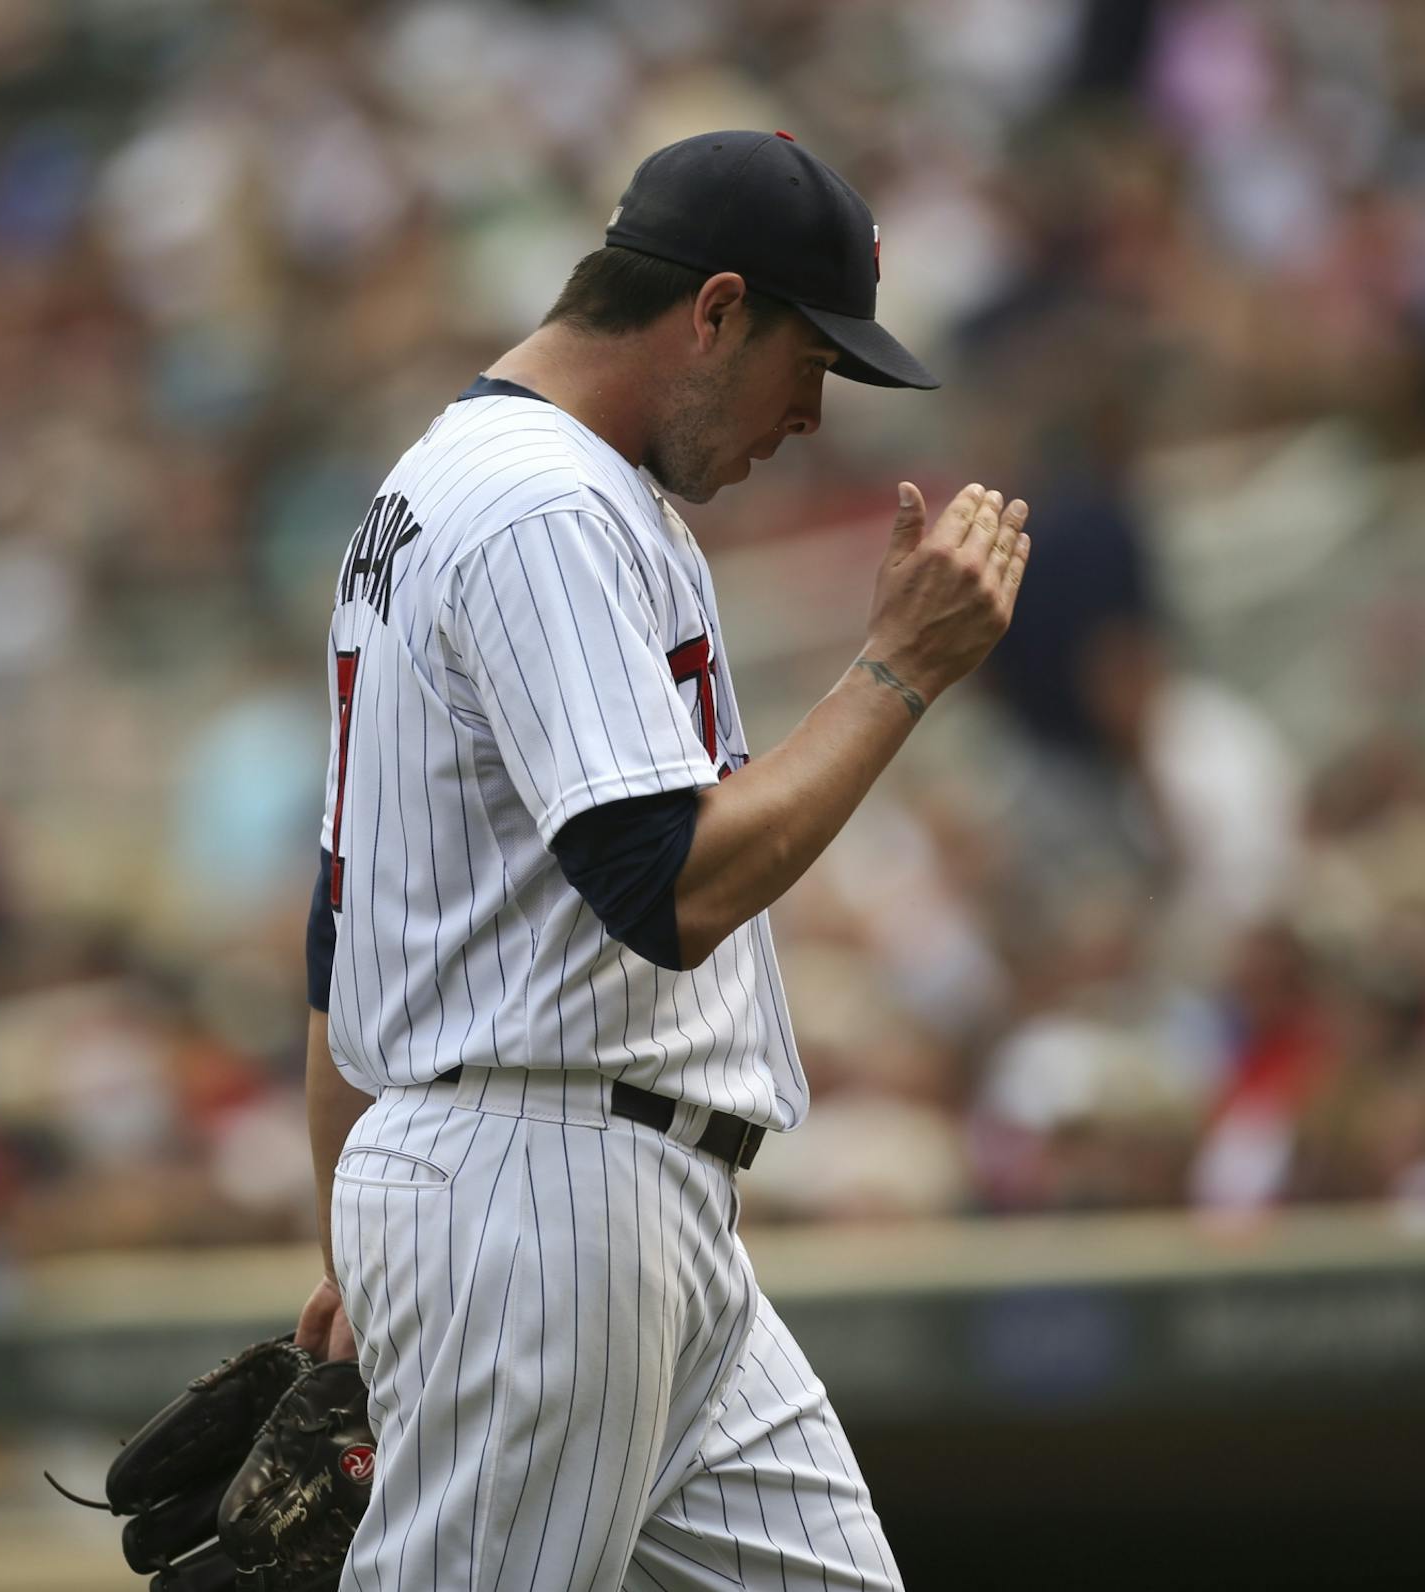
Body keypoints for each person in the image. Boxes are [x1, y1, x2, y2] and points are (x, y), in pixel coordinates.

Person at [292, 129, 1029, 1591]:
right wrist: (896, 674)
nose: (815, 414)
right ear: (712, 309)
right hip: (547, 1190)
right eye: (808, 360)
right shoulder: (543, 503)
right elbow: (666, 886)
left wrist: (355, 1246)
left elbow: (339, 936)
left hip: (600, 1197)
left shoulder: (455, 485)